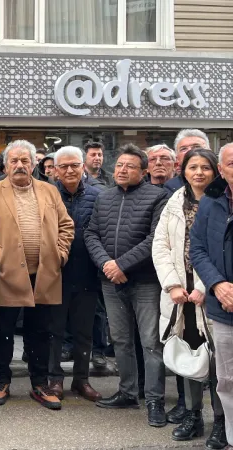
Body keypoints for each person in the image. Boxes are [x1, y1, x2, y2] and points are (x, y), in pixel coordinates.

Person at [0, 140, 74, 410]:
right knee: (4, 331)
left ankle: (40, 383)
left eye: (25, 161)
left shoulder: (49, 190)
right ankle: (1, 380)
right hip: (8, 273)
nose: (20, 165)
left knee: (40, 331)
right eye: (14, 161)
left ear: (33, 164)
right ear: (5, 165)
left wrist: (60, 254)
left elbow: (66, 225)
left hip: (44, 273)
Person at [84, 143, 170, 427]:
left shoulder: (158, 197)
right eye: (119, 165)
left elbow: (155, 238)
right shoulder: (104, 197)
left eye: (130, 166)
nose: (122, 170)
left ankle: (155, 400)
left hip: (145, 282)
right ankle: (127, 392)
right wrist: (107, 265)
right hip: (111, 282)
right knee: (121, 340)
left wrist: (122, 265)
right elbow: (91, 233)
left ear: (144, 172)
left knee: (150, 343)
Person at [153, 148, 227, 448]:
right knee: (189, 353)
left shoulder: (222, 201)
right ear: (182, 171)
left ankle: (221, 421)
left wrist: (204, 286)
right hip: (180, 295)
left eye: (205, 167)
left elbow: (218, 252)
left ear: (216, 171)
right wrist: (172, 285)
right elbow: (160, 244)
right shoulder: (175, 200)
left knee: (219, 362)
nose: (199, 172)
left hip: (211, 291)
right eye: (192, 167)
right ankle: (193, 415)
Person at [47, 146, 103, 402]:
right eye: (63, 166)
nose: (69, 170)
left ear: (83, 167)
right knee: (55, 330)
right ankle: (55, 378)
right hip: (55, 274)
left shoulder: (99, 195)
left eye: (74, 165)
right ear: (55, 171)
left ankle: (81, 379)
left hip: (87, 273)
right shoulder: (46, 195)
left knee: (84, 331)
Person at [190, 142, 233, 449]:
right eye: (232, 164)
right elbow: (198, 248)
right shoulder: (210, 201)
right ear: (221, 169)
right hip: (223, 306)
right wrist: (217, 284)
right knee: (227, 380)